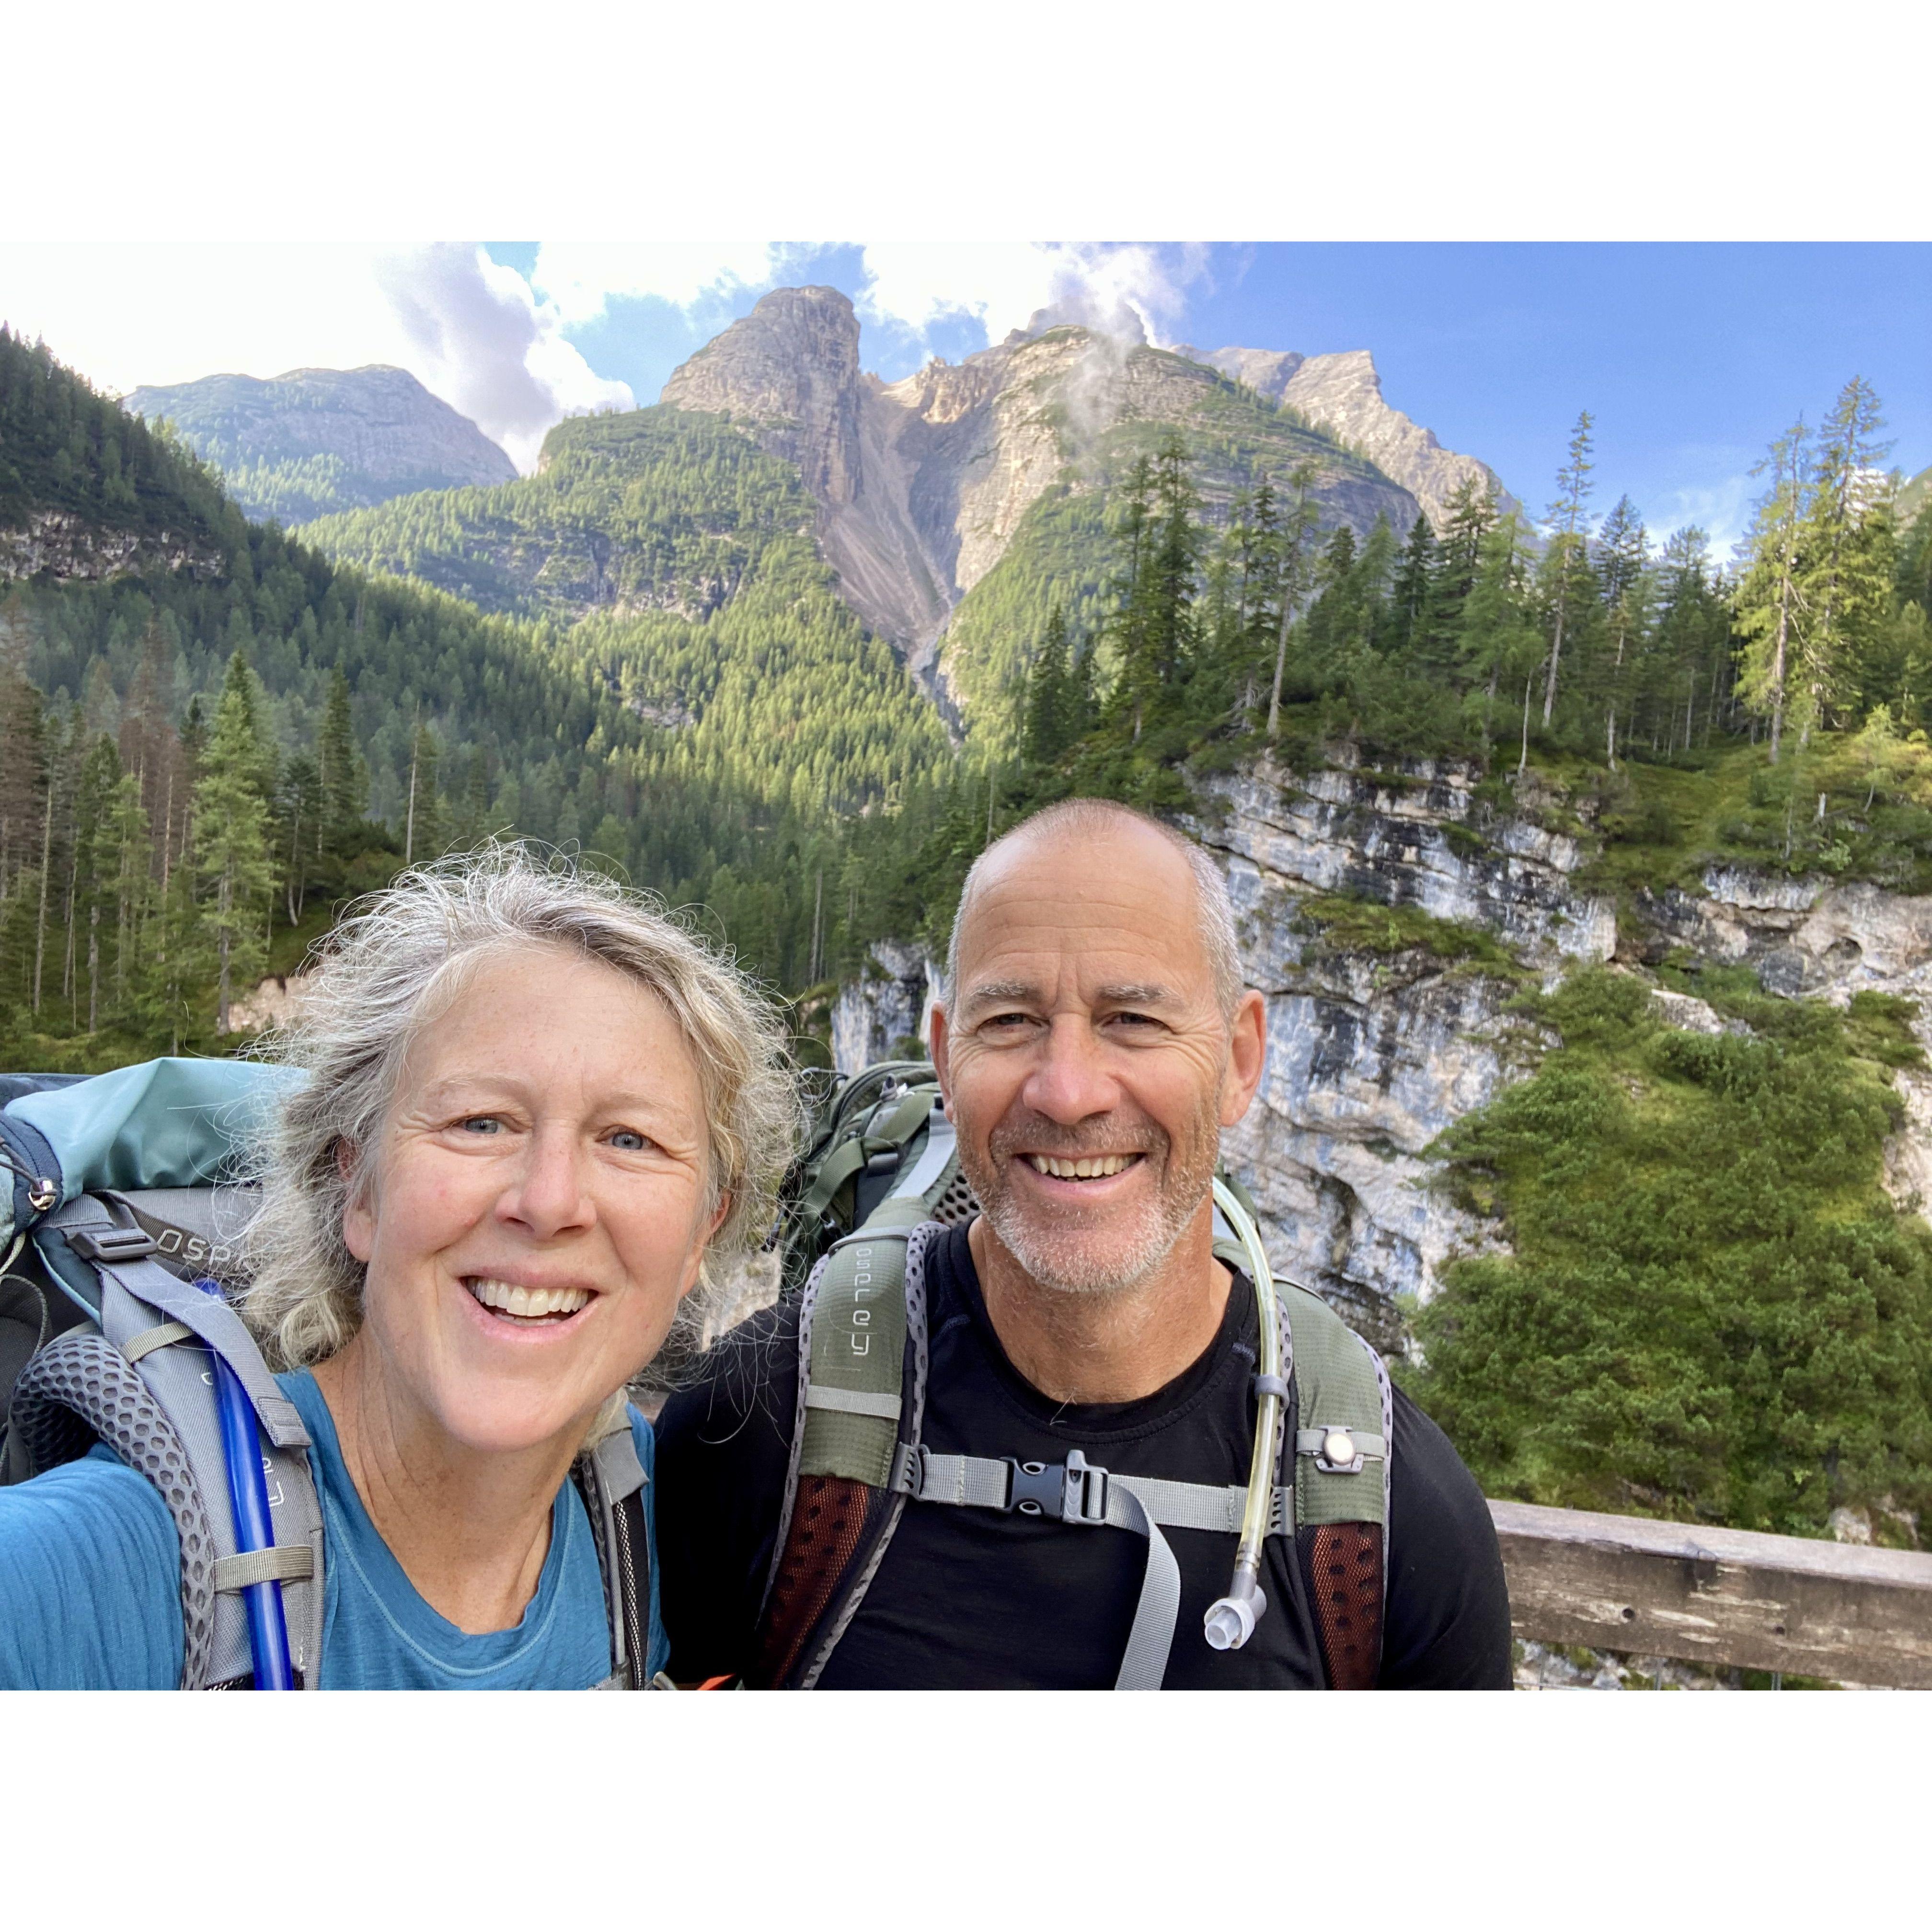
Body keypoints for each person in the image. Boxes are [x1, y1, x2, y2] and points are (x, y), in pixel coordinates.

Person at [656, 798, 1512, 1688]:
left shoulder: (1392, 1520)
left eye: (1133, 1020)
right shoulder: (762, 1419)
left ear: (1240, 1060)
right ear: (947, 1062)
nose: (1067, 1092)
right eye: (1011, 1020)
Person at [0, 848, 796, 1689]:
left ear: (705, 1228)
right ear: (359, 1189)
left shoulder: (642, 1525)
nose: (551, 1199)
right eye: (481, 1122)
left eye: (629, 1140)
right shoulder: (103, 1568)